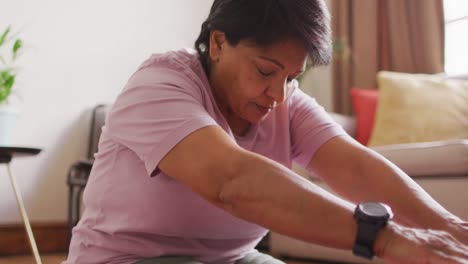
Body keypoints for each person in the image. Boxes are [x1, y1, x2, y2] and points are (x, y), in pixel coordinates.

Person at [67, 0, 468, 263]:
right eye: (265, 71)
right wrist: (385, 238)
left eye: (292, 77)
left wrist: (451, 229)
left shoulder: (286, 100)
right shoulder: (159, 84)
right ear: (219, 42)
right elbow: (231, 180)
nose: (278, 94)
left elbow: (354, 166)